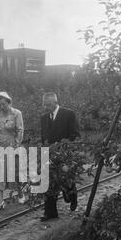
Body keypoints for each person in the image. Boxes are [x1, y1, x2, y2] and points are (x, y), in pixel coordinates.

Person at [40, 92, 80, 221]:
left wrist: (66, 147)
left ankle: (71, 196)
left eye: (49, 104)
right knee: (48, 182)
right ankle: (50, 212)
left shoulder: (68, 114)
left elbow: (75, 134)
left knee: (67, 179)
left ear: (55, 102)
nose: (46, 107)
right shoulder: (44, 118)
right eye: (45, 105)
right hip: (49, 155)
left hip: (65, 154)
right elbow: (44, 137)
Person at [0, 91, 25, 211]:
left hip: (11, 145)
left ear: (9, 102)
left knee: (13, 173)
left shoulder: (16, 114)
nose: (1, 107)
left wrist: (16, 145)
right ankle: (0, 201)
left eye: (3, 104)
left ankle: (20, 192)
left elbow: (20, 131)